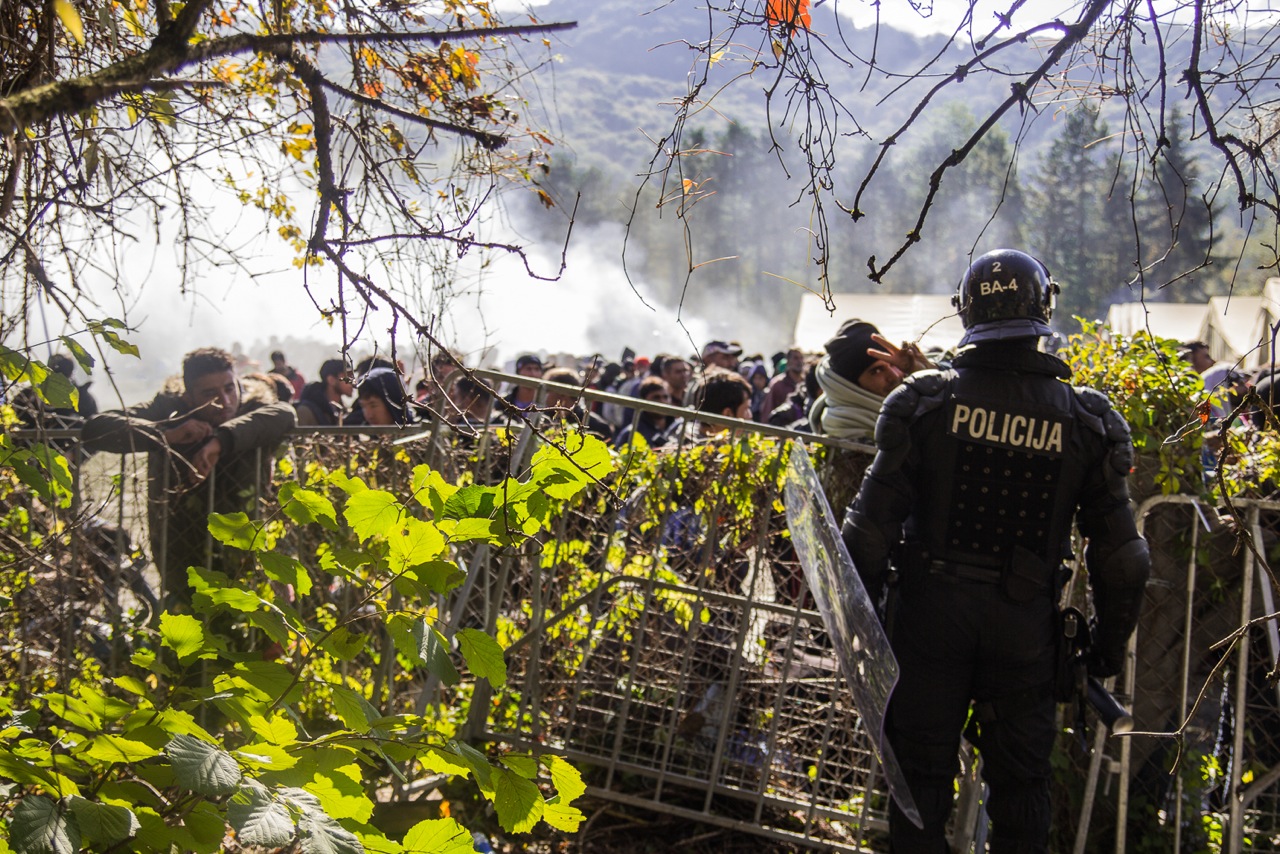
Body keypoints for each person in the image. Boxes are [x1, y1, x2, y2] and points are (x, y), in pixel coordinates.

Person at [842, 249, 1150, 852]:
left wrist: (869, 626)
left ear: (966, 313)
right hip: (1025, 626)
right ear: (1045, 309)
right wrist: (1105, 650)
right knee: (1022, 788)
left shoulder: (924, 402)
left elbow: (867, 532)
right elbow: (1124, 559)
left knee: (919, 783)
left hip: (929, 618)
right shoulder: (1088, 421)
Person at [81, 347, 296, 609]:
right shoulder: (169, 409)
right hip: (181, 549)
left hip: (245, 548)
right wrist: (165, 435)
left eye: (230, 388)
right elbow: (97, 426)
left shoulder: (254, 405)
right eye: (210, 394)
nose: (225, 401)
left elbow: (284, 414)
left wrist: (220, 441)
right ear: (188, 395)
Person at [810, 319, 932, 442]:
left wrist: (926, 372)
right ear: (850, 387)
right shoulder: (846, 434)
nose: (894, 376)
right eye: (877, 371)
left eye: (893, 364)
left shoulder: (913, 410)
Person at [614, 376, 676, 449]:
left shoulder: (677, 428)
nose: (662, 401)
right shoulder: (632, 433)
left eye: (665, 397)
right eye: (656, 397)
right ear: (644, 400)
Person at [295, 359, 353, 426]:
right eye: (347, 376)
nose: (352, 381)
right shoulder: (306, 411)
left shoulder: (345, 411)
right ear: (331, 380)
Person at [762, 348, 804, 419]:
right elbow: (767, 411)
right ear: (788, 361)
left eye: (801, 358)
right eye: (795, 358)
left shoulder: (806, 384)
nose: (799, 361)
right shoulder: (778, 384)